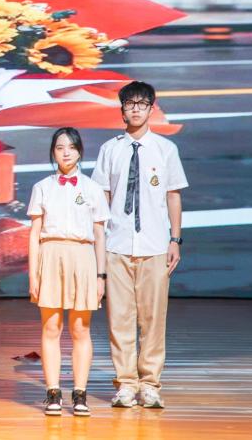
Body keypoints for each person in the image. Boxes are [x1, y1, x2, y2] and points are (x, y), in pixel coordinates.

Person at [92, 81, 188, 409]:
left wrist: (175, 239)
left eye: (142, 104)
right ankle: (125, 384)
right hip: (117, 244)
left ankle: (150, 384)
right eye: (130, 104)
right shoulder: (110, 149)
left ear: (151, 109)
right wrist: (99, 244)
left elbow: (173, 195)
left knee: (153, 318)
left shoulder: (165, 149)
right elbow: (102, 197)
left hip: (155, 245)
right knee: (119, 319)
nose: (135, 109)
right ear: (121, 110)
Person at [27, 127, 109, 416]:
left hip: (83, 257)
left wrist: (101, 276)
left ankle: (80, 393)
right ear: (53, 152)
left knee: (80, 328)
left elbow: (99, 235)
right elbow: (34, 233)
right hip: (50, 255)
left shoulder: (93, 189)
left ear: (79, 151)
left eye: (71, 147)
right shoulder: (42, 187)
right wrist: (33, 274)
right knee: (51, 327)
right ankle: (53, 392)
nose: (66, 152)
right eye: (60, 147)